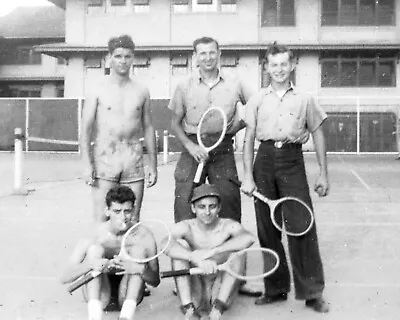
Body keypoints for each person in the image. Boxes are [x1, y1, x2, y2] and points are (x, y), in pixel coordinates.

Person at [241, 44, 330, 313]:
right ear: (266, 67)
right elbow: (247, 141)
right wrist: (248, 176)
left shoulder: (305, 98)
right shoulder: (257, 99)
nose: (278, 70)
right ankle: (276, 289)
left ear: (292, 66)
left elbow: (317, 133)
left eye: (283, 64)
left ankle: (312, 292)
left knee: (302, 226)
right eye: (273, 65)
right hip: (263, 162)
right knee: (267, 230)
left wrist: (324, 173)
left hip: (292, 161)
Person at [168, 36, 254, 224]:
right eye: (203, 53)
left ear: (219, 54)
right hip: (192, 149)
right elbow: (174, 123)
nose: (208, 58)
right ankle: (186, 251)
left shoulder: (235, 83)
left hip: (223, 149)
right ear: (195, 57)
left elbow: (256, 107)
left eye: (212, 52)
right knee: (184, 203)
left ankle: (229, 251)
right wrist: (191, 147)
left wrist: (237, 126)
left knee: (229, 202)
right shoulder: (184, 86)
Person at [81, 34, 157, 222]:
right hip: (105, 158)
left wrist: (153, 164)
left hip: (133, 158)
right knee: (102, 218)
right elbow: (85, 129)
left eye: (127, 56)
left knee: (132, 219)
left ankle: (128, 253)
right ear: (109, 58)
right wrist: (86, 162)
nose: (123, 61)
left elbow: (148, 127)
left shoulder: (142, 90)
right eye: (118, 56)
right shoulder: (97, 89)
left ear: (133, 58)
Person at [60, 185, 160, 320]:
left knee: (138, 251)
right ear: (107, 211)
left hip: (128, 293)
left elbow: (155, 281)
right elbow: (64, 277)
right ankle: (94, 316)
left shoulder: (143, 235)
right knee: (95, 250)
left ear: (134, 210)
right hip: (101, 294)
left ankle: (126, 316)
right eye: (117, 211)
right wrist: (91, 265)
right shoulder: (95, 233)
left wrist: (140, 269)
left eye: (127, 211)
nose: (123, 217)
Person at [164, 184, 256, 319]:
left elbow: (249, 238)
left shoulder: (228, 225)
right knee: (180, 247)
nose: (207, 212)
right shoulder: (186, 226)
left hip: (219, 288)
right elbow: (164, 244)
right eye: (201, 207)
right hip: (196, 286)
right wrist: (193, 257)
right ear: (193, 208)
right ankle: (188, 308)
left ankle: (217, 310)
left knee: (238, 253)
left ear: (219, 207)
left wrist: (214, 251)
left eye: (212, 206)